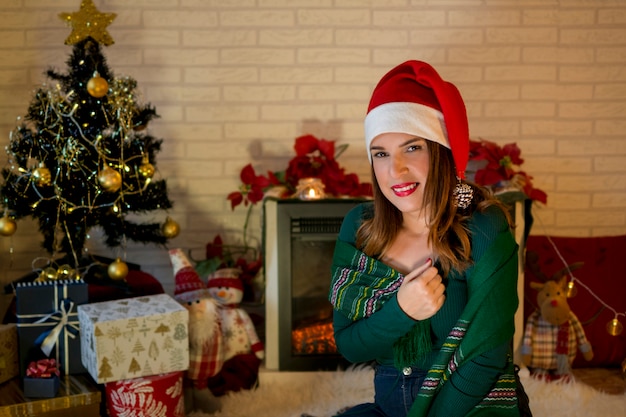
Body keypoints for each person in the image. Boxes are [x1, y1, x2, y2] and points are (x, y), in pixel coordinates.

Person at [329, 60, 528, 416]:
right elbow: (350, 345)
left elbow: (486, 359)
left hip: (470, 405)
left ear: (441, 151)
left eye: (412, 147)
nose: (396, 170)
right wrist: (402, 311)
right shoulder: (361, 228)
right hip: (392, 406)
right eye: (381, 153)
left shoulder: (483, 227)